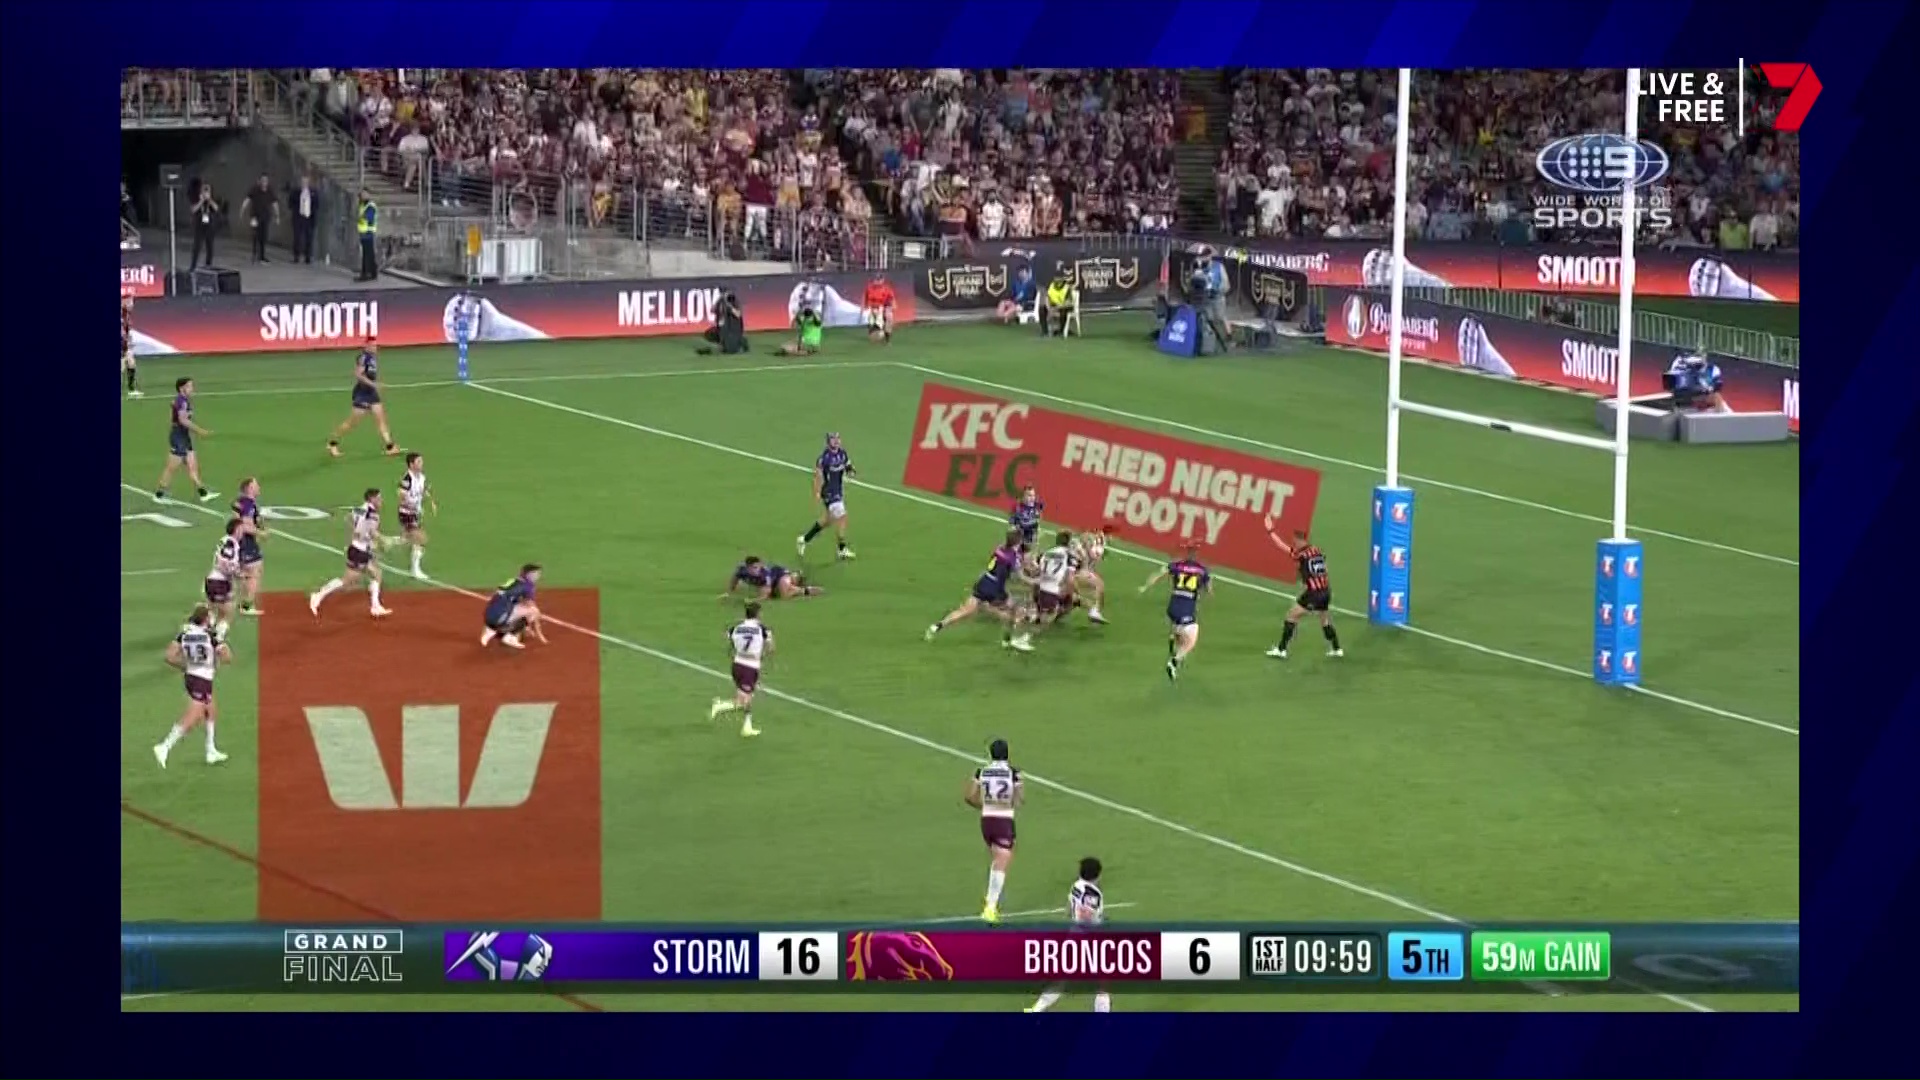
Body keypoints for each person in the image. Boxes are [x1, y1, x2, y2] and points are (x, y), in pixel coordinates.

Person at [965, 738, 1023, 923]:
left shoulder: (981, 771)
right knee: (1002, 860)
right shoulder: (1014, 773)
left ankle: (991, 904)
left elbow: (970, 797)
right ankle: (990, 907)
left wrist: (985, 806)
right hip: (1003, 820)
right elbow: (1018, 800)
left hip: (986, 820)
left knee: (998, 859)